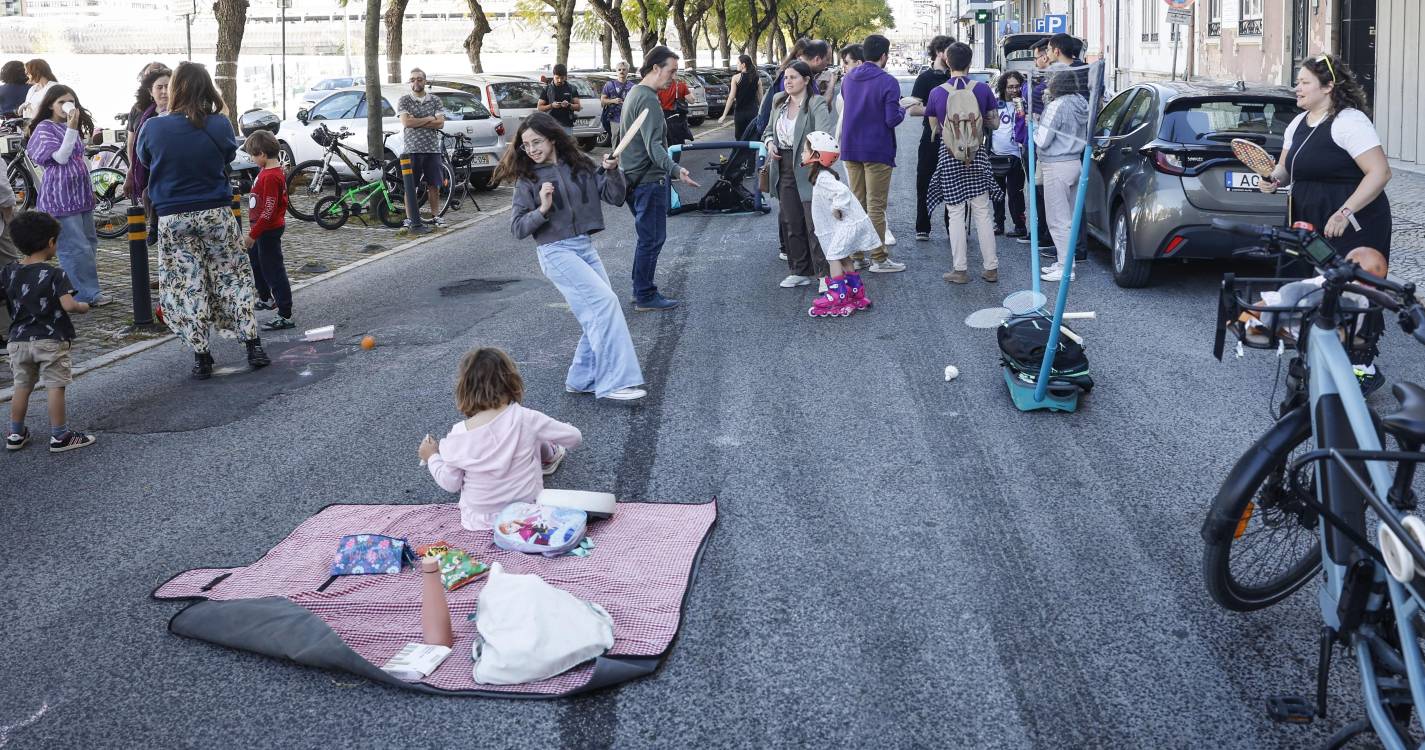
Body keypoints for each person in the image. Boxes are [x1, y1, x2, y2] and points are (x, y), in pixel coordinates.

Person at [499, 111, 647, 400]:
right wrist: (542, 209)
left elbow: (615, 197)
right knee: (605, 305)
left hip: (584, 247)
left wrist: (613, 170)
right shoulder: (528, 180)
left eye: (536, 142)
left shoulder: (580, 164)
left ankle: (580, 378)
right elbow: (517, 228)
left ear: (552, 138)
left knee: (596, 315)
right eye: (526, 145)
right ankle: (613, 383)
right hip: (555, 252)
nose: (531, 150)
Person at [136, 61, 270, 379]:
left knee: (186, 286)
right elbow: (228, 156)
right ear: (207, 88)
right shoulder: (219, 124)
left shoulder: (153, 127)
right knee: (232, 277)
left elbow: (144, 161)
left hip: (173, 217)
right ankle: (252, 345)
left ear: (176, 88)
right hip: (216, 212)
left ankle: (202, 355)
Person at [417, 347, 585, 531]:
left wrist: (432, 456)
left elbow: (451, 483)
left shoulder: (458, 433)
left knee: (532, 435)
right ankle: (550, 454)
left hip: (478, 521)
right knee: (533, 434)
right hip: (526, 513)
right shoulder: (526, 418)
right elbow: (575, 438)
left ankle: (547, 452)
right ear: (512, 382)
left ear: (464, 389)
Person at [1262, 53, 1392, 259]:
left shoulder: (1349, 121)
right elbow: (1285, 169)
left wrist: (1345, 213)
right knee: (1308, 285)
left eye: (1305, 83)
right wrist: (1274, 180)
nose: (1297, 88)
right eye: (1298, 82)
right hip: (1307, 223)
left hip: (1350, 224)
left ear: (1327, 87)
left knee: (1348, 287)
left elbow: (1380, 173)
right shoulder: (1297, 123)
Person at [2, 211, 96, 453]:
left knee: (21, 386)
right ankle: (60, 435)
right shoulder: (56, 274)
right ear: (51, 242)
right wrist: (83, 307)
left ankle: (15, 433)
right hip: (51, 340)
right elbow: (68, 305)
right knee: (55, 385)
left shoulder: (8, 272)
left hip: (18, 341)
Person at [619, 46, 700, 312]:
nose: (673, 78)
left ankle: (640, 289)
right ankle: (644, 294)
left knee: (647, 237)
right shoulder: (649, 99)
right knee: (652, 239)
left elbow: (623, 139)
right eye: (671, 71)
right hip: (647, 181)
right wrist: (677, 170)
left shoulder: (634, 92)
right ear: (655, 68)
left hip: (634, 179)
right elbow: (655, 146)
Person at [926, 42, 1001, 285]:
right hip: (977, 154)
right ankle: (991, 268)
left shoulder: (937, 92)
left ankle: (960, 269)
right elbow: (995, 123)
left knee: (955, 211)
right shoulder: (982, 89)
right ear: (970, 63)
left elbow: (934, 129)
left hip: (950, 156)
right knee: (981, 211)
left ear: (947, 62)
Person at [26, 85, 107, 307]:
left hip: (81, 195)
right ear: (50, 104)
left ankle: (86, 289)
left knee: (89, 243)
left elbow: (79, 158)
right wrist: (72, 126)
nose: (66, 106)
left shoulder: (68, 127)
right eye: (61, 102)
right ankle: (85, 294)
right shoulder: (45, 128)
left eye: (70, 101)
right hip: (60, 196)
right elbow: (61, 158)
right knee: (74, 247)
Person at [763, 61, 835, 289]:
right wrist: (770, 142)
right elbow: (767, 129)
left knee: (815, 223)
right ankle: (799, 269)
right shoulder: (778, 101)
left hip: (809, 167)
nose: (788, 81)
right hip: (782, 165)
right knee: (790, 220)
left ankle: (825, 275)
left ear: (806, 80)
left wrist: (808, 153)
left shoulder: (816, 103)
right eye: (786, 78)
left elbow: (824, 137)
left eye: (793, 77)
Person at [839, 34, 907, 273]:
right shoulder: (888, 82)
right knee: (876, 206)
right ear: (884, 56)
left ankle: (857, 256)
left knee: (857, 203)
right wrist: (903, 109)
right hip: (877, 148)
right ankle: (879, 258)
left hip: (850, 146)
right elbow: (891, 119)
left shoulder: (848, 79)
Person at [805, 131, 879, 317]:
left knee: (833, 256)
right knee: (844, 256)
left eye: (806, 150)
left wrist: (837, 207)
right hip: (848, 224)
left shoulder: (823, 178)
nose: (802, 153)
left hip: (849, 224)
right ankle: (855, 291)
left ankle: (837, 295)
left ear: (816, 155)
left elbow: (842, 192)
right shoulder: (822, 176)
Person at [1035, 67, 1090, 283]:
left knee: (1058, 219)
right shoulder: (1081, 103)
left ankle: (1066, 268)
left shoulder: (1056, 105)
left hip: (1056, 164)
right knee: (1069, 217)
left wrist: (1034, 128)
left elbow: (1043, 139)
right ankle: (1063, 262)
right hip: (1075, 161)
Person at [242, 131, 294, 331]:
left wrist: (253, 235)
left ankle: (285, 313)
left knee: (274, 270)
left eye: (253, 155)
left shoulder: (271, 176)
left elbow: (269, 210)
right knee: (256, 260)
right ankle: (265, 297)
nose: (252, 159)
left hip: (268, 230)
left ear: (262, 154)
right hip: (261, 229)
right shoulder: (267, 172)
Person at [906, 35, 953, 242]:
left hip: (956, 136)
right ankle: (922, 226)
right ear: (939, 52)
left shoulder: (956, 75)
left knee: (955, 180)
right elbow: (913, 109)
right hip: (931, 136)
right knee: (924, 180)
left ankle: (954, 225)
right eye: (949, 51)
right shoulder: (925, 78)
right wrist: (936, 109)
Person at [397, 68, 447, 233]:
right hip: (412, 149)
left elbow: (440, 123)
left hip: (432, 149)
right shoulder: (404, 100)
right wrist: (429, 118)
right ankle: (411, 218)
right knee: (411, 186)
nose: (416, 82)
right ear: (409, 82)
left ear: (425, 81)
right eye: (412, 79)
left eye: (419, 79)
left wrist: (416, 120)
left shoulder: (436, 100)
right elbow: (406, 123)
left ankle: (435, 216)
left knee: (434, 185)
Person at [125, 65, 171, 219]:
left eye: (168, 86)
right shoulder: (141, 112)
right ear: (151, 91)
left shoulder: (183, 113)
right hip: (148, 170)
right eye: (159, 87)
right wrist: (131, 172)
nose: (164, 91)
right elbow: (133, 145)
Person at [991, 71, 1028, 239]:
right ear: (1003, 87)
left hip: (1016, 155)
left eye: (1017, 86)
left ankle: (1020, 225)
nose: (1014, 90)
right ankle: (998, 223)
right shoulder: (996, 103)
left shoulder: (1024, 103)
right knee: (997, 193)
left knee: (1015, 193)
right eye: (1010, 87)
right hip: (996, 154)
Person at [719, 54, 763, 141]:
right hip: (753, 112)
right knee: (752, 138)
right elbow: (761, 99)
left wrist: (724, 115)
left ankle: (740, 154)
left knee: (739, 138)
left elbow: (731, 97)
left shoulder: (736, 78)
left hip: (740, 113)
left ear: (743, 65)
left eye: (738, 63)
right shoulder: (757, 78)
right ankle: (751, 155)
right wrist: (762, 113)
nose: (737, 65)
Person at [600, 61, 637, 144]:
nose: (621, 71)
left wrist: (627, 103)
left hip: (628, 118)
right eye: (619, 69)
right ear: (616, 71)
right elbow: (602, 100)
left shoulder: (632, 86)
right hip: (614, 118)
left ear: (627, 71)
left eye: (624, 69)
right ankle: (615, 156)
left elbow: (636, 103)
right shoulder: (609, 85)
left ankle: (626, 157)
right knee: (616, 140)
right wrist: (613, 101)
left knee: (628, 141)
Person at [538, 63, 581, 131]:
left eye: (562, 78)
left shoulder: (572, 88)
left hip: (567, 125)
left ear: (565, 76)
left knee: (566, 142)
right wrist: (552, 105)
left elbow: (578, 107)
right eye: (557, 78)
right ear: (553, 75)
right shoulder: (547, 89)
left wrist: (569, 105)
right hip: (550, 126)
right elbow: (539, 108)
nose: (559, 80)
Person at [659, 69, 693, 145]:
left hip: (663, 117)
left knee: (665, 143)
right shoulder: (681, 85)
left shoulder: (659, 86)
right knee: (678, 145)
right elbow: (691, 100)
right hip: (677, 118)